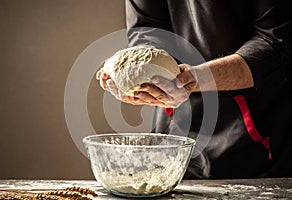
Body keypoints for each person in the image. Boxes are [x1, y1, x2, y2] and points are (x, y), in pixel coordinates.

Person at [97, 0, 292, 179]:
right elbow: (147, 29)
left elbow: (276, 43)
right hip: (177, 138)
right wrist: (137, 73)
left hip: (260, 140)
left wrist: (194, 79)